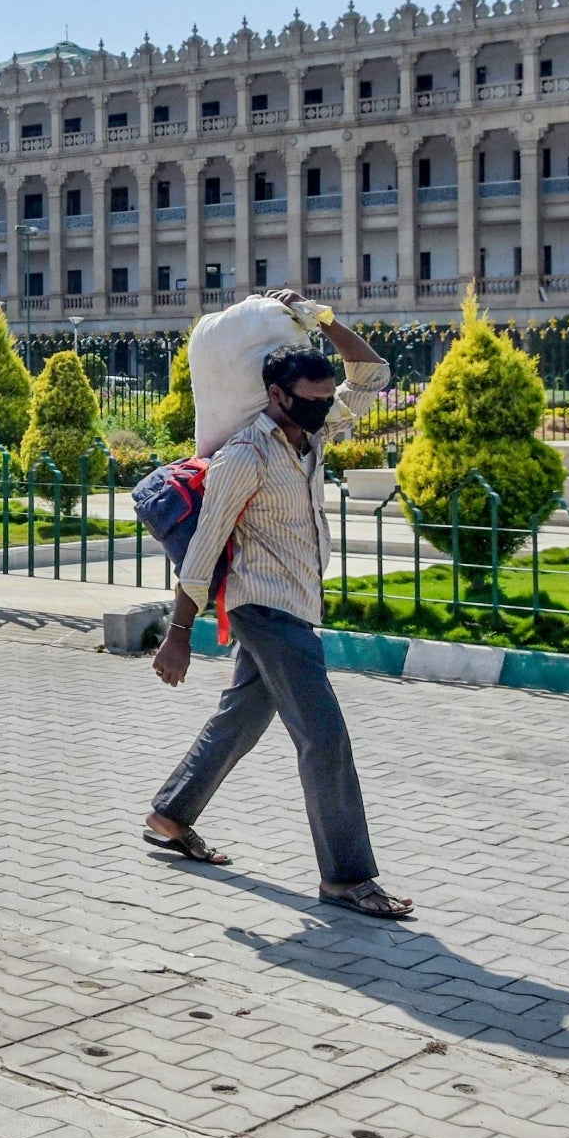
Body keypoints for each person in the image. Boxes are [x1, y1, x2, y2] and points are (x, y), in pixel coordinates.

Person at [145, 292, 412, 919]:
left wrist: (324, 322)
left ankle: (171, 813)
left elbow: (373, 376)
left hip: (296, 602)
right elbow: (204, 550)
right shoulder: (246, 456)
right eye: (310, 401)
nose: (323, 409)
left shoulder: (312, 436)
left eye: (326, 400)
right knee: (325, 738)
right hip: (265, 610)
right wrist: (178, 634)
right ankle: (347, 877)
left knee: (240, 718)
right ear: (275, 396)